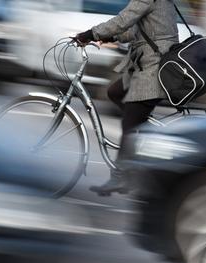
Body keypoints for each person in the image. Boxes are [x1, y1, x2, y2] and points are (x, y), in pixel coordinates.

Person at [75, 0, 179, 196]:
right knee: (115, 92)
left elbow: (124, 19)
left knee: (130, 124)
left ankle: (121, 177)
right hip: (146, 64)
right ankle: (140, 131)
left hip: (153, 69)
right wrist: (109, 37)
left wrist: (89, 34)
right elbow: (134, 31)